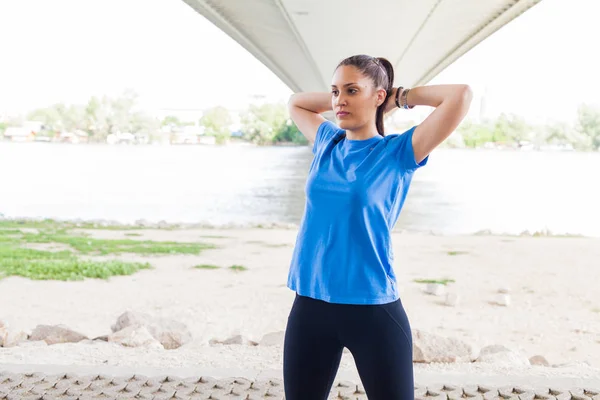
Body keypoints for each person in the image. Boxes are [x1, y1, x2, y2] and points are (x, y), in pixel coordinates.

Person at [283, 54, 472, 399]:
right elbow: (296, 103)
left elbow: (459, 95)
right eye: (336, 91)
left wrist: (398, 96)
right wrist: (348, 98)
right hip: (310, 305)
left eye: (352, 90)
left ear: (379, 97)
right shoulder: (327, 143)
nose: (340, 100)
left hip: (372, 309)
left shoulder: (398, 152)